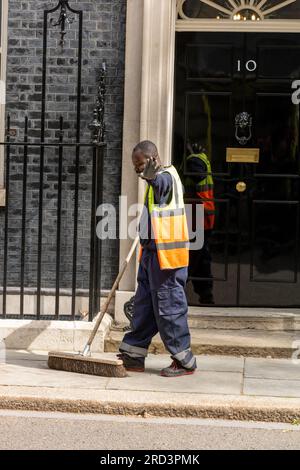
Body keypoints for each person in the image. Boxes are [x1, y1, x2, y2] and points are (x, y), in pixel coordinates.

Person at [118, 140, 197, 377]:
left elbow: (161, 184)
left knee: (169, 308)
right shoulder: (155, 180)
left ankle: (184, 361)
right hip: (151, 256)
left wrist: (151, 177)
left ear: (153, 159)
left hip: (167, 260)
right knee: (144, 306)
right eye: (135, 167)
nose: (137, 171)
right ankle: (133, 355)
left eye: (140, 165)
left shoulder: (166, 178)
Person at [185, 141, 215, 304]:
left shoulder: (195, 160)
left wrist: (191, 156)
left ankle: (178, 288)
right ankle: (206, 294)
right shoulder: (203, 159)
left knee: (193, 257)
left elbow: (197, 176)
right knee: (201, 257)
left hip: (198, 217)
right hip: (201, 217)